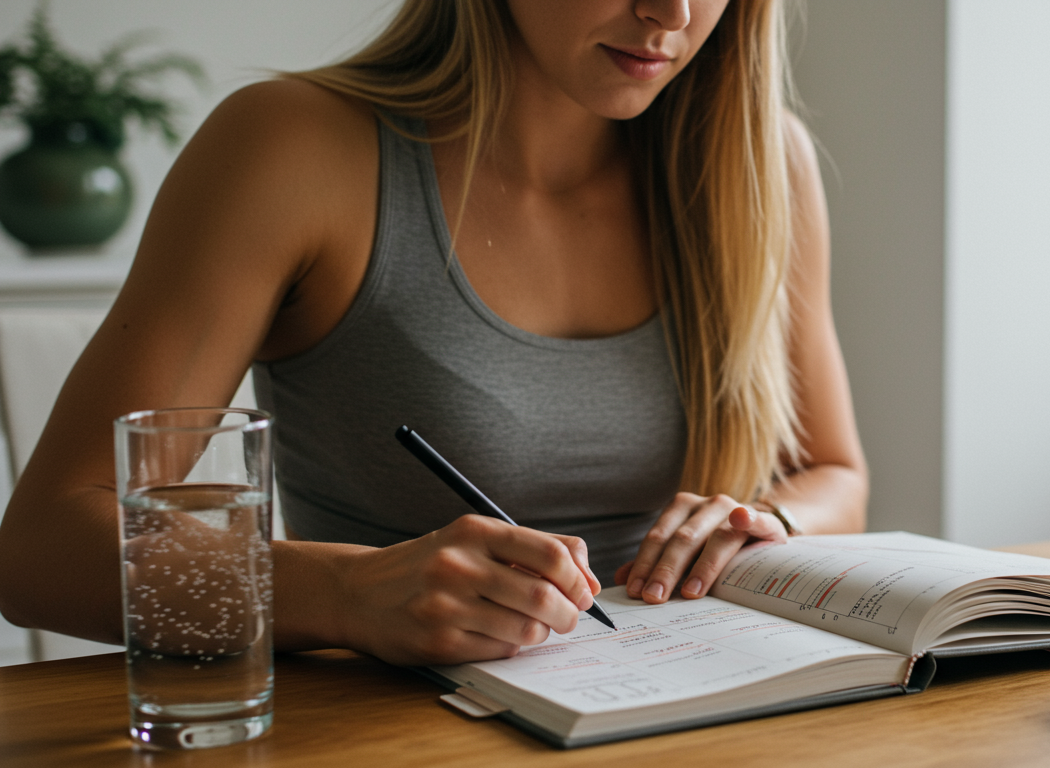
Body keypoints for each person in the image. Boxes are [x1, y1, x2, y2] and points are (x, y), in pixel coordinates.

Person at [0, 0, 866, 666]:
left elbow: (837, 475)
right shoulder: (291, 149)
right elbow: (43, 548)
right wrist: (345, 594)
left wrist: (769, 522)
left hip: (692, 714)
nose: (673, 13)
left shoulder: (757, 167)